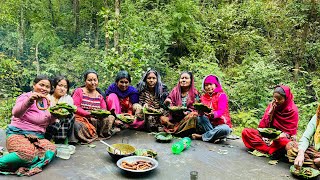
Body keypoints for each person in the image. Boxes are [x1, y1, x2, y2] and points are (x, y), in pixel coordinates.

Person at [0, 75, 56, 176]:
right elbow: (16, 113)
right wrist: (29, 101)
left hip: (38, 137)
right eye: (41, 85)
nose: (44, 88)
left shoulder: (47, 102)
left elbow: (48, 121)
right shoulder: (26, 96)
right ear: (34, 85)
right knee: (28, 154)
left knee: (51, 150)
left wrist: (55, 116)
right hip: (18, 133)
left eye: (47, 87)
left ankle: (22, 161)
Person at [242, 85, 299, 157]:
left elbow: (291, 133)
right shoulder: (272, 105)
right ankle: (270, 150)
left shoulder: (292, 110)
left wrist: (278, 137)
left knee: (285, 142)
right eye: (275, 99)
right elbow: (262, 127)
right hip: (268, 136)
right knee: (246, 132)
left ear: (286, 99)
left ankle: (271, 150)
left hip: (281, 139)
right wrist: (270, 113)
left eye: (279, 99)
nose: (277, 101)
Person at [72, 70, 116, 143]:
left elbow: (104, 110)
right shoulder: (79, 91)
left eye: (95, 80)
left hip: (95, 118)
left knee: (110, 118)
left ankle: (100, 133)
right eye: (90, 80)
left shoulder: (100, 95)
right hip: (82, 118)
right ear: (85, 81)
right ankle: (88, 135)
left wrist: (99, 114)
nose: (93, 83)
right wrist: (88, 114)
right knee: (76, 124)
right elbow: (75, 107)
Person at [191, 75, 232, 142]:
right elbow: (201, 114)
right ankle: (215, 137)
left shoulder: (222, 95)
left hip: (221, 125)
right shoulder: (203, 98)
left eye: (210, 84)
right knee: (200, 118)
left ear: (216, 85)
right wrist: (200, 113)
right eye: (206, 85)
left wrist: (214, 114)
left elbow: (221, 111)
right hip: (209, 125)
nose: (208, 87)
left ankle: (202, 137)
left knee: (226, 129)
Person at [162, 71, 200, 137]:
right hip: (175, 118)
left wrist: (188, 112)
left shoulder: (195, 93)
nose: (184, 80)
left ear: (191, 81)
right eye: (182, 78)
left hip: (187, 118)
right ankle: (179, 130)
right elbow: (167, 105)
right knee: (162, 118)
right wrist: (167, 102)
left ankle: (176, 130)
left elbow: (197, 108)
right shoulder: (175, 91)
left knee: (194, 115)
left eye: (186, 78)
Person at [45, 76, 77, 144]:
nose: (62, 89)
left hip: (62, 124)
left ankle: (59, 140)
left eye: (65, 87)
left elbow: (66, 112)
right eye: (60, 85)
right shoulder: (47, 97)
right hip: (48, 123)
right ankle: (50, 139)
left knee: (70, 115)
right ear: (54, 86)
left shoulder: (68, 99)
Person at [287, 105, 320, 169]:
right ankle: (313, 166)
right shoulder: (317, 117)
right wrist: (301, 153)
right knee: (291, 145)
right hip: (315, 152)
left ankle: (310, 165)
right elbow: (306, 137)